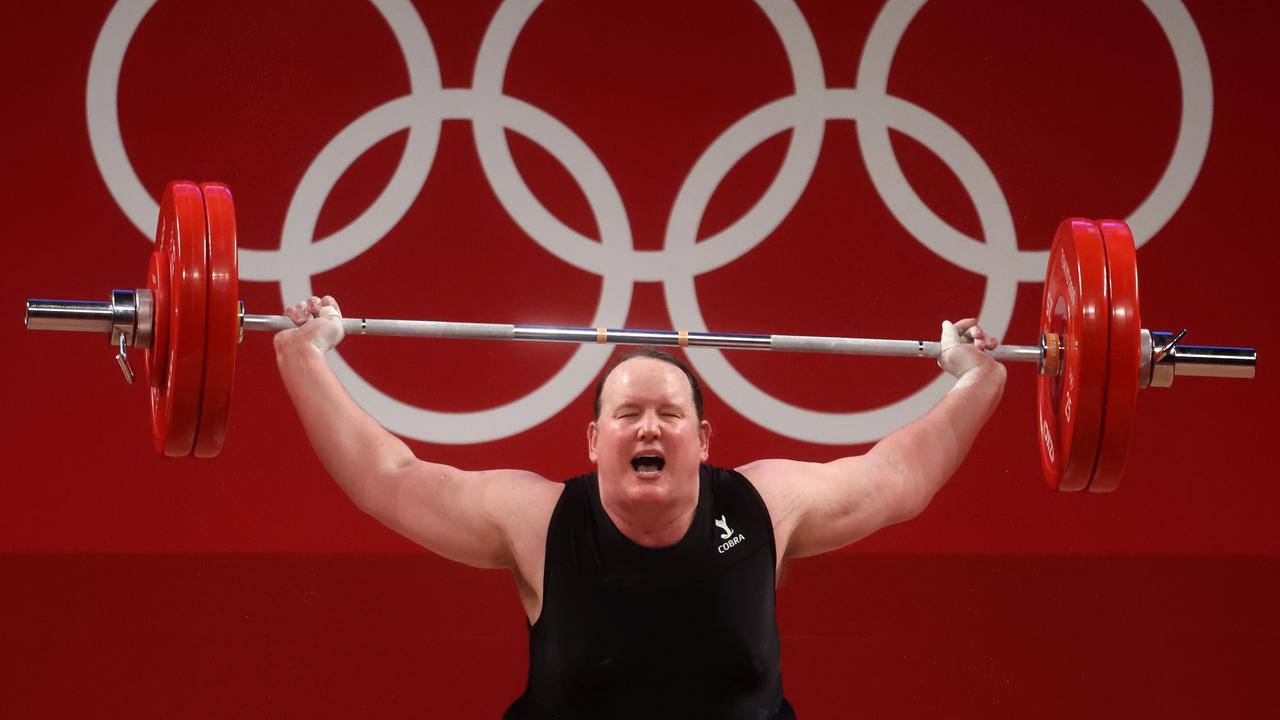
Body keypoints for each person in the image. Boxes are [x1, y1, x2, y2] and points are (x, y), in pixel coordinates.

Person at [276, 295, 1006, 719]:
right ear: (594, 440)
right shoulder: (539, 522)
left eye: (669, 413)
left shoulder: (763, 509)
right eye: (628, 416)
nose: (650, 427)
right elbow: (390, 475)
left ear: (704, 437)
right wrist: (303, 355)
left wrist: (977, 383)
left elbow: (894, 480)